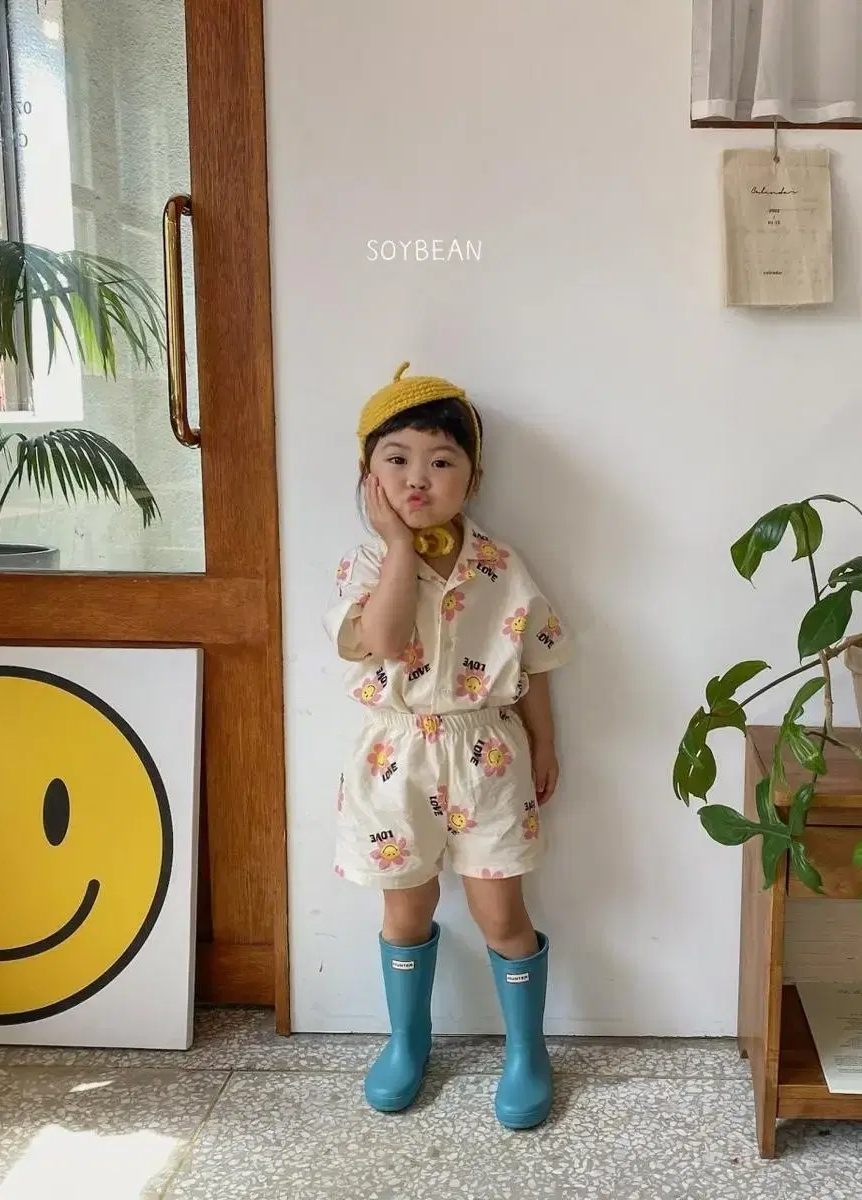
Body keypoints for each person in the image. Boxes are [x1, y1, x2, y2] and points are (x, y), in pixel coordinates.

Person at [325, 362, 572, 1130]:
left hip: (485, 755)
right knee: (406, 910)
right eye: (396, 460)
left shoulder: (500, 564)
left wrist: (544, 744)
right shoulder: (366, 565)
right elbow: (384, 639)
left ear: (474, 476)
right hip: (396, 762)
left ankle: (526, 1051)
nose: (417, 478)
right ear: (368, 475)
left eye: (441, 461)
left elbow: (533, 664)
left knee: (503, 913)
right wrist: (399, 546)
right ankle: (409, 1040)